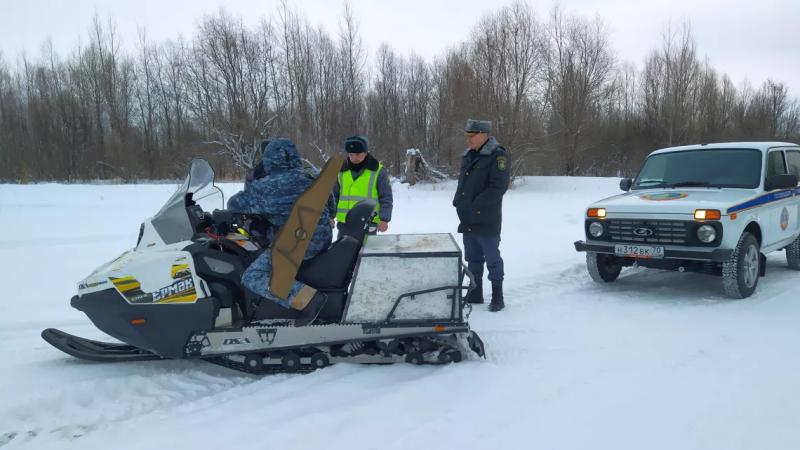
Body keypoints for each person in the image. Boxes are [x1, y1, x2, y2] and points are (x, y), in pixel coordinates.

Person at [227, 138, 333, 324]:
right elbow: (331, 205)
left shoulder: (268, 185)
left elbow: (235, 204)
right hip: (322, 238)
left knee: (253, 275)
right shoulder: (313, 177)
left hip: (296, 243)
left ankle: (309, 300)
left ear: (269, 160)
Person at [453, 119, 510, 312]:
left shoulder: (497, 156)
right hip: (468, 217)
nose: (468, 140)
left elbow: (498, 187)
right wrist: (458, 202)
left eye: (472, 136)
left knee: (492, 258)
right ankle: (475, 293)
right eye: (467, 136)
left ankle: (497, 295)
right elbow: (463, 184)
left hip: (487, 218)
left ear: (484, 135)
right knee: (473, 258)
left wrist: (476, 206)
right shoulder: (468, 155)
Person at [332, 135, 393, 237]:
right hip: (344, 225)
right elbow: (333, 197)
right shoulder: (341, 171)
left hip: (368, 224)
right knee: (342, 252)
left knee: (365, 253)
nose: (354, 158)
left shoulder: (378, 171)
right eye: (351, 155)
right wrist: (330, 216)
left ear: (365, 153)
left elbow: (386, 197)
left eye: (358, 154)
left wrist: (384, 219)